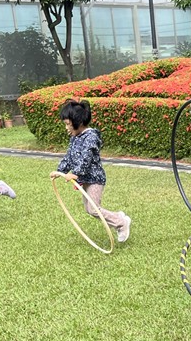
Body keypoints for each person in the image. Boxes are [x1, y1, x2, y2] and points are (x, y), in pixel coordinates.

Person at [49, 99, 131, 242]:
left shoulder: (91, 137)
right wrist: (59, 171)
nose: (66, 128)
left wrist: (75, 173)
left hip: (94, 179)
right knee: (89, 209)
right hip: (84, 179)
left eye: (68, 124)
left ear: (79, 123)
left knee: (94, 209)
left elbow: (85, 158)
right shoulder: (75, 138)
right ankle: (119, 218)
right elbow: (69, 157)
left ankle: (121, 222)